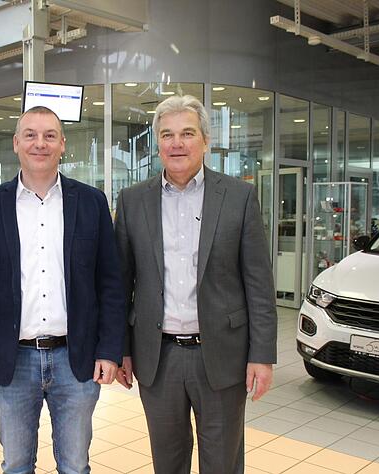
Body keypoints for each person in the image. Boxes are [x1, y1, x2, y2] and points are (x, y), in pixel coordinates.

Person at [114, 95, 277, 473]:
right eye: (167, 135)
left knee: (222, 463)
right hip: (158, 358)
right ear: (157, 144)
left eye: (187, 133)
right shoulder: (133, 200)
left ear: (205, 140)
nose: (177, 143)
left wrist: (262, 354)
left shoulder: (238, 196)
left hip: (221, 355)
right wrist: (121, 348)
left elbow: (258, 283)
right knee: (167, 463)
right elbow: (120, 285)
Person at [0, 106, 125, 474]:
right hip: (12, 360)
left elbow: (111, 284)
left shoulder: (92, 202)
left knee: (75, 465)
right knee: (17, 465)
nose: (40, 143)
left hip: (76, 359)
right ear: (16, 143)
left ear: (63, 144)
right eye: (30, 135)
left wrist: (110, 350)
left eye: (50, 135)